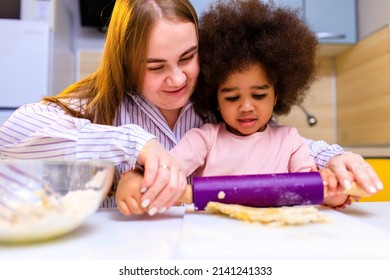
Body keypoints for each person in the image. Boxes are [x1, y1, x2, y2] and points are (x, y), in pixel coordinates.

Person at [0, 0, 382, 216]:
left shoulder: (219, 103)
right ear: (127, 63)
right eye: (155, 67)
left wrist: (333, 159)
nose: (178, 79)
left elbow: (280, 145)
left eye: (188, 57)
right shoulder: (103, 105)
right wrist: (134, 144)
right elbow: (12, 132)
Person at [115, 0, 356, 215]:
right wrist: (135, 178)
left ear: (277, 94)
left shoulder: (291, 141)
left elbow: (308, 191)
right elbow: (166, 170)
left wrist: (332, 191)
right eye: (231, 98)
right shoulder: (203, 139)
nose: (246, 107)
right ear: (214, 97)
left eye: (259, 94)